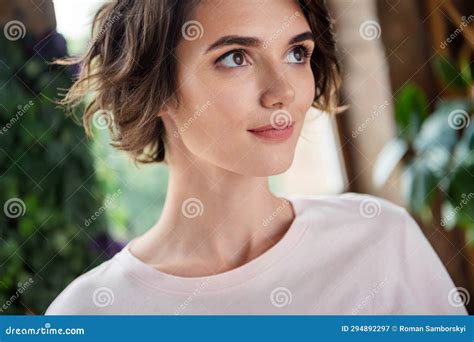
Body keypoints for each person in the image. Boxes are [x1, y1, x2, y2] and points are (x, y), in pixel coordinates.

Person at [46, 0, 468, 315]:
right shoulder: (89, 314)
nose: (281, 91)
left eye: (296, 53)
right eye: (235, 58)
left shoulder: (379, 238)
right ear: (156, 86)